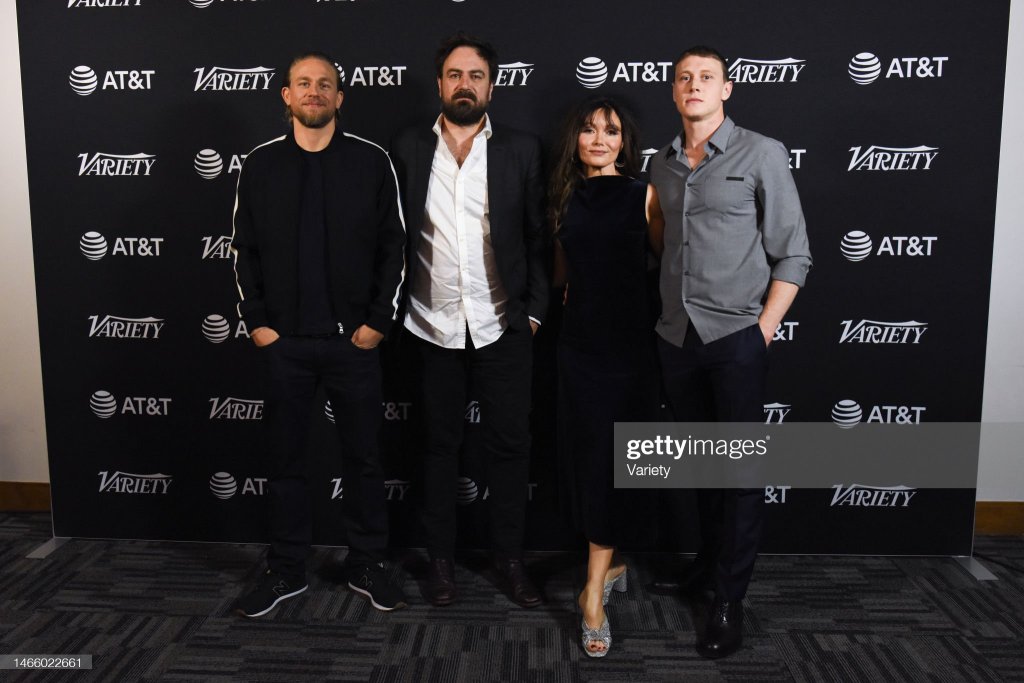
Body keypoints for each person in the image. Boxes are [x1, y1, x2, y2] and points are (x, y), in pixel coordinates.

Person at [230, 51, 408, 616]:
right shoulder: (260, 164)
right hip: (284, 345)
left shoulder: (371, 161)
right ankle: (285, 568)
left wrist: (377, 322)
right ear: (286, 95)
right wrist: (258, 322)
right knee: (285, 460)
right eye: (303, 83)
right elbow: (243, 249)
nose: (314, 91)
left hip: (353, 343)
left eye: (324, 84)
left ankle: (368, 562)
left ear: (339, 97)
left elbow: (395, 247)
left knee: (364, 459)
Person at [649, 46, 811, 658]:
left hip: (736, 339)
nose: (694, 85)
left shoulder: (761, 153)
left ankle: (728, 598)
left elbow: (794, 253)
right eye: (684, 77)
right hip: (676, 338)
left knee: (740, 476)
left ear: (726, 89)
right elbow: (663, 243)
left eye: (706, 77)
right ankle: (708, 565)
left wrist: (762, 329)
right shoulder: (662, 164)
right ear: (673, 91)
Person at [390, 32, 548, 608]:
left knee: (509, 448)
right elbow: (390, 233)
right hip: (430, 325)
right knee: (438, 448)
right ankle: (441, 563)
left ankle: (510, 560)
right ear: (439, 84)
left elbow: (538, 236)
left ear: (492, 86)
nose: (465, 85)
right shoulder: (407, 146)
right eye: (455, 75)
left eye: (476, 76)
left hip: (502, 324)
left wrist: (534, 313)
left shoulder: (521, 150)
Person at [550, 96, 664, 657]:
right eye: (590, 129)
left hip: (630, 350)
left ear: (625, 141)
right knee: (591, 460)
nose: (600, 139)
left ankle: (592, 594)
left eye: (611, 130)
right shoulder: (563, 200)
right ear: (575, 139)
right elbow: (561, 276)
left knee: (617, 463)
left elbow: (668, 269)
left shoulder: (644, 195)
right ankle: (610, 565)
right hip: (578, 349)